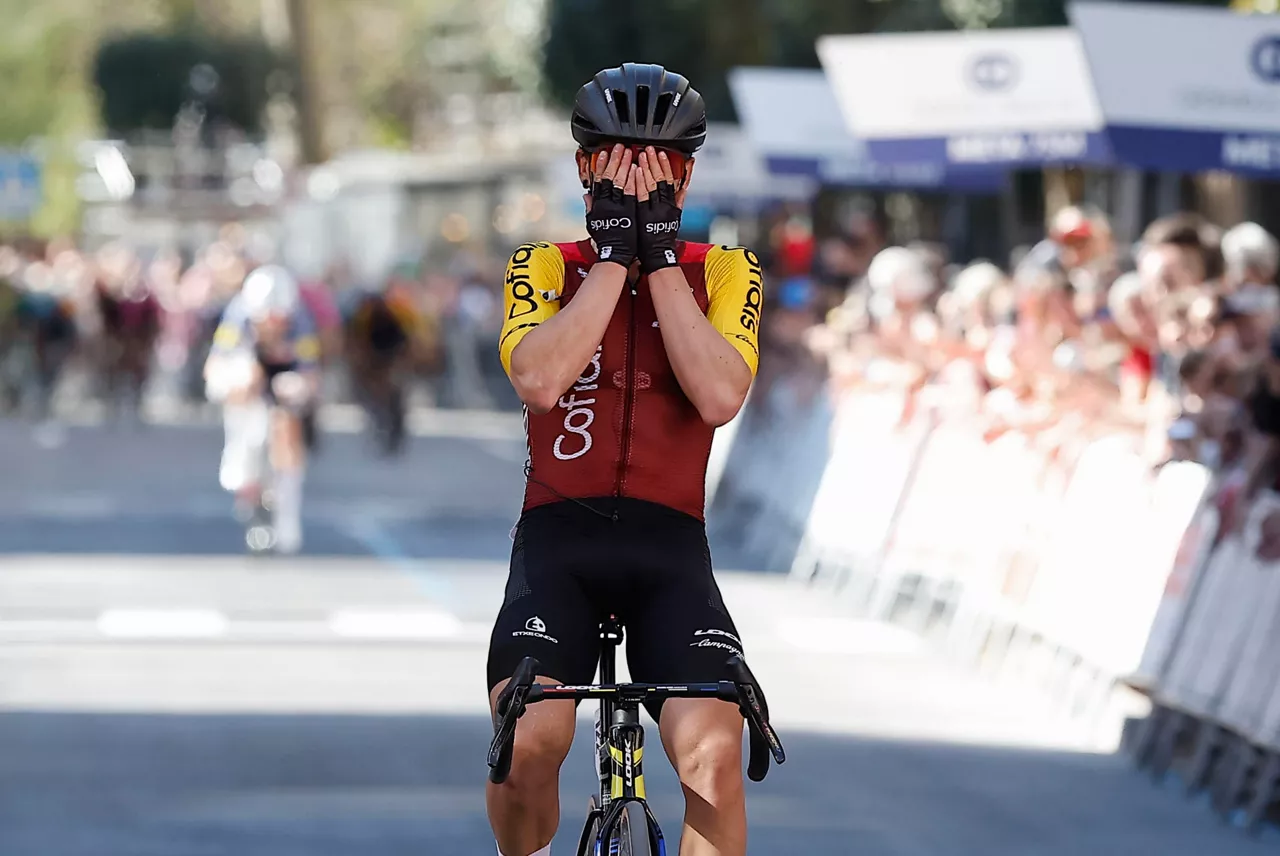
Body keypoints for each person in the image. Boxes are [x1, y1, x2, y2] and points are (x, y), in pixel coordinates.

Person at [486, 63, 763, 856]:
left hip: (669, 549)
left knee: (714, 752)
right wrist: (610, 261)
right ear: (584, 168)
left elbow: (718, 397)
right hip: (557, 546)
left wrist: (663, 261)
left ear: (686, 173)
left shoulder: (727, 272)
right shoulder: (543, 265)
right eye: (619, 156)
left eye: (660, 160)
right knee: (531, 742)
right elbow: (539, 381)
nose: (641, 173)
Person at [203, 265, 320, 554]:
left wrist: (298, 388)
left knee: (288, 429)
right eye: (265, 318)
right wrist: (232, 388)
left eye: (278, 318)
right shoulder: (237, 317)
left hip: (284, 379)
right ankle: (246, 481)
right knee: (245, 382)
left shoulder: (301, 321)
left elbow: (311, 372)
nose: (271, 324)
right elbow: (215, 364)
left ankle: (288, 512)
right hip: (247, 380)